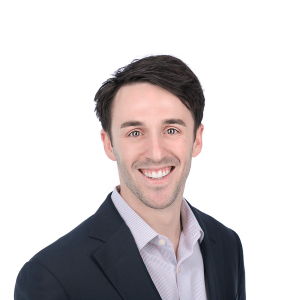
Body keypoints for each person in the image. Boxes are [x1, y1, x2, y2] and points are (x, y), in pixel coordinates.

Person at [14, 55, 246, 300]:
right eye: (135, 132)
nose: (155, 153)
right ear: (109, 144)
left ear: (197, 140)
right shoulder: (51, 276)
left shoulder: (227, 245)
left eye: (171, 130)